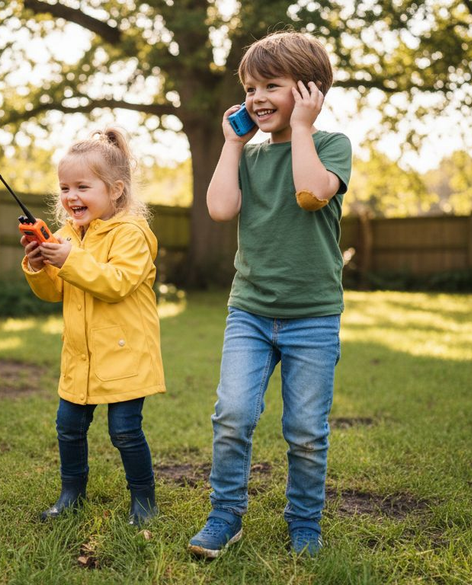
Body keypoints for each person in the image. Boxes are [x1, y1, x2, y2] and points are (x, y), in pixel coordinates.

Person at [187, 31, 353, 558]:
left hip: (312, 316)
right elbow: (219, 209)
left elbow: (309, 194)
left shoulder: (330, 146)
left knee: (305, 429)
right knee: (233, 413)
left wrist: (302, 127)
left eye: (271, 86)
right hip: (251, 312)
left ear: (310, 91)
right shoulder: (250, 157)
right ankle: (225, 514)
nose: (256, 97)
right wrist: (233, 143)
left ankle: (304, 520)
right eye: (250, 87)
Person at [20, 127, 165, 526]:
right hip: (81, 357)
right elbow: (56, 292)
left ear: (116, 190)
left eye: (82, 186)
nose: (71, 197)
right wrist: (38, 264)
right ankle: (71, 493)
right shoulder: (69, 235)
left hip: (125, 356)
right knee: (68, 427)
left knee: (124, 431)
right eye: (65, 187)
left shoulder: (133, 234)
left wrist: (69, 259)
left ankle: (144, 500)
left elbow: (115, 283)